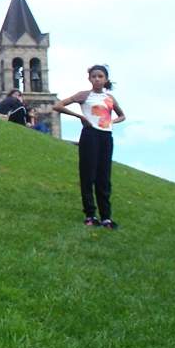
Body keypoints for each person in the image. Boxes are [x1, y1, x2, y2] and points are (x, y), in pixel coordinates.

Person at [53, 64, 126, 228]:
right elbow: (58, 105)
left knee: (104, 177)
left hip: (106, 137)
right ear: (89, 79)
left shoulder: (110, 98)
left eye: (100, 76)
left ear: (106, 79)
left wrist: (111, 121)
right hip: (90, 135)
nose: (97, 79)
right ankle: (90, 215)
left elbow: (122, 116)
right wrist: (79, 116)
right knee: (88, 175)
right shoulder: (84, 95)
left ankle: (106, 217)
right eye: (94, 76)